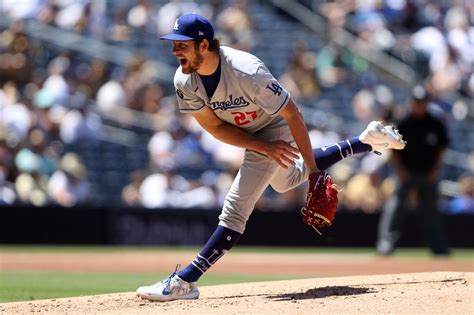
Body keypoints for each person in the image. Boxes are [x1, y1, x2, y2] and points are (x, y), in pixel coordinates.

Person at [136, 13, 406, 302]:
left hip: (274, 126)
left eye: (182, 44)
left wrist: (313, 172)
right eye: (174, 44)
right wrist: (262, 148)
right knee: (285, 180)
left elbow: (292, 113)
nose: (175, 50)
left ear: (204, 45)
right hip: (250, 135)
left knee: (236, 206)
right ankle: (364, 141)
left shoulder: (246, 70)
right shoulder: (185, 80)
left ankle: (186, 279)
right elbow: (214, 127)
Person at [376, 85, 450, 256]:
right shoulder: (403, 122)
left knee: (431, 210)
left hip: (427, 173)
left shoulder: (435, 123)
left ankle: (438, 246)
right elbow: (392, 149)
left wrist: (434, 170)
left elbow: (441, 148)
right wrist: (400, 170)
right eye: (417, 102)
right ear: (411, 102)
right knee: (395, 207)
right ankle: (386, 243)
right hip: (406, 173)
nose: (419, 105)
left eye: (422, 102)